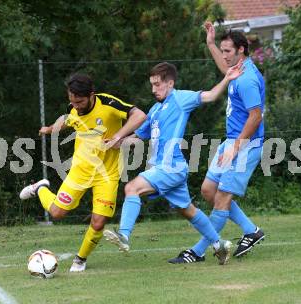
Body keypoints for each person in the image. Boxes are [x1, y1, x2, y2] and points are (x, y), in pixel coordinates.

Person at [103, 61, 243, 265]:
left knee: (132, 188)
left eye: (157, 84)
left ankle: (124, 235)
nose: (153, 89)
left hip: (169, 167)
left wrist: (227, 78)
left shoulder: (180, 98)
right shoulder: (154, 110)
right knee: (187, 210)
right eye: (152, 85)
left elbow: (211, 96)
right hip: (168, 168)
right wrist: (116, 142)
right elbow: (138, 137)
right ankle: (219, 244)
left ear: (170, 83)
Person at [19, 73, 147, 272]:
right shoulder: (73, 108)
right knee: (57, 213)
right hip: (81, 170)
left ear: (91, 95)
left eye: (79, 101)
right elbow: (67, 120)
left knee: (98, 222)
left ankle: (80, 259)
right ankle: (41, 187)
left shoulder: (109, 104)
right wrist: (50, 128)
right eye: (72, 101)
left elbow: (140, 116)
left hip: (108, 174)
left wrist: (118, 137)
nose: (75, 105)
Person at [168, 22, 266, 264]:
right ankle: (251, 230)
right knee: (208, 191)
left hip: (244, 145)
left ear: (241, 50)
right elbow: (225, 69)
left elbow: (256, 116)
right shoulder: (238, 70)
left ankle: (198, 251)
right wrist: (210, 43)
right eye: (222, 51)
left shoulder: (248, 80)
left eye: (228, 51)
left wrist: (236, 147)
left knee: (222, 197)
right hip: (231, 142)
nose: (224, 56)